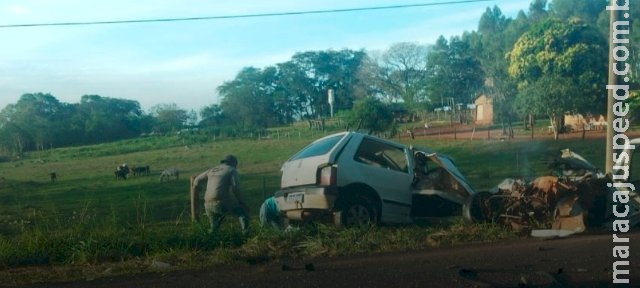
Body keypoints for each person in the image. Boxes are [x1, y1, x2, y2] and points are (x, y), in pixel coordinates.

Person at [192, 154, 249, 234]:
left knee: (214, 228)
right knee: (243, 211)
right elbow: (235, 187)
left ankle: (209, 240)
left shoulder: (212, 170)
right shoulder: (231, 170)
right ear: (233, 163)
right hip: (222, 203)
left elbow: (197, 180)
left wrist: (198, 188)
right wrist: (241, 202)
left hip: (207, 204)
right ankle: (245, 234)